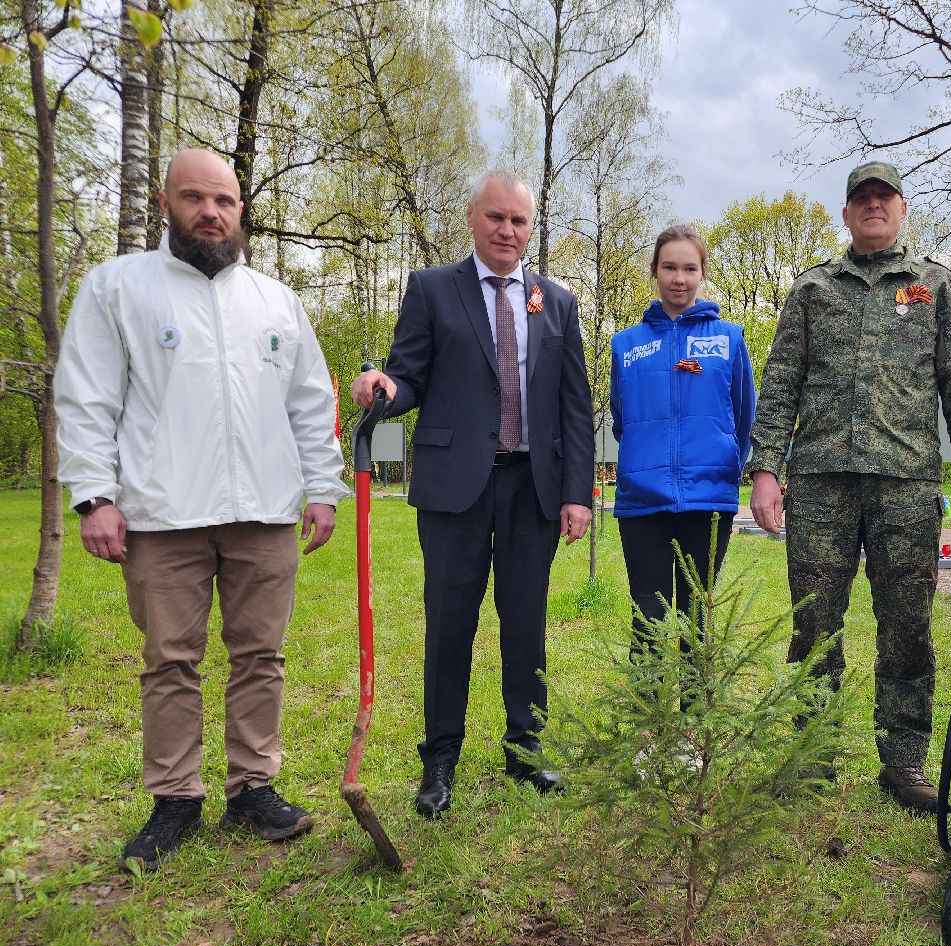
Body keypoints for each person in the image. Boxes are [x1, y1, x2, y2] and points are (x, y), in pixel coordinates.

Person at [54, 148, 347, 872]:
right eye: (195, 198)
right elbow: (87, 399)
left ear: (242, 209)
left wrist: (323, 487)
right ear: (166, 203)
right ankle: (176, 798)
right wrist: (94, 496)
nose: (211, 213)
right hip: (161, 511)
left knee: (261, 655)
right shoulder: (119, 289)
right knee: (170, 661)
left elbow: (311, 401)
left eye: (225, 201)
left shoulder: (274, 300)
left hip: (265, 510)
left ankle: (252, 786)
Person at [748, 160, 951, 814]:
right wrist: (766, 468)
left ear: (902, 209)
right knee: (814, 624)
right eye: (863, 198)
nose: (874, 206)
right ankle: (811, 751)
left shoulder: (935, 287)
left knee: (907, 627)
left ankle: (904, 760)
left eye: (885, 197)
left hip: (906, 484)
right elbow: (780, 387)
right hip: (821, 482)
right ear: (848, 212)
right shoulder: (812, 291)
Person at [351, 171, 594, 818]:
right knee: (449, 626)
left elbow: (575, 407)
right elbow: (410, 377)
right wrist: (382, 386)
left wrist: (578, 493)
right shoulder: (433, 289)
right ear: (472, 218)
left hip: (533, 487)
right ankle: (440, 761)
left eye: (519, 220)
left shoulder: (557, 303)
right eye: (496, 218)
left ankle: (525, 747)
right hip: (456, 486)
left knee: (526, 623)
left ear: (530, 226)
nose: (508, 230)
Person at [609, 225, 755, 643]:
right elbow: (622, 417)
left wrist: (725, 458)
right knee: (648, 622)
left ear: (702, 272)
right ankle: (650, 709)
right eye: (669, 267)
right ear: (654, 270)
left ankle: (697, 709)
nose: (679, 278)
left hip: (709, 499)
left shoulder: (729, 339)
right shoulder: (626, 345)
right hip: (643, 502)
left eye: (689, 268)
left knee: (697, 624)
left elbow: (744, 415)